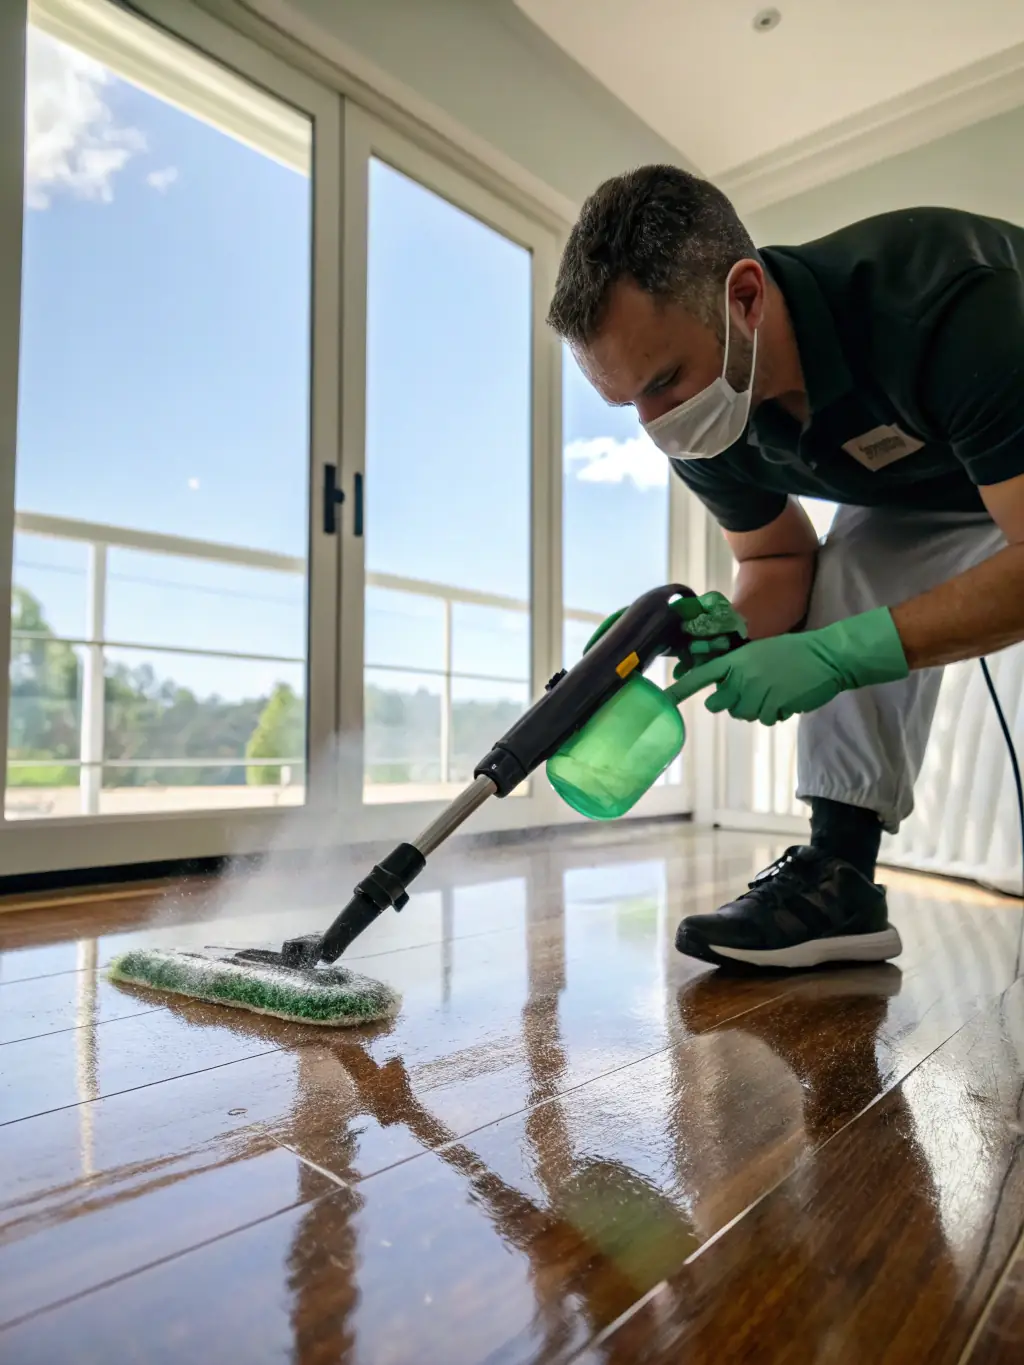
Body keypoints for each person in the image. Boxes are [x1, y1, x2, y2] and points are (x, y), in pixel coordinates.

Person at [547, 166, 1024, 970]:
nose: (657, 427)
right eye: (630, 404)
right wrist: (723, 634)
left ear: (745, 297)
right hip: (937, 486)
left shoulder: (945, 305)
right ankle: (839, 876)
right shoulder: (705, 421)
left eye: (664, 381)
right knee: (856, 559)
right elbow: (776, 556)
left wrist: (839, 655)